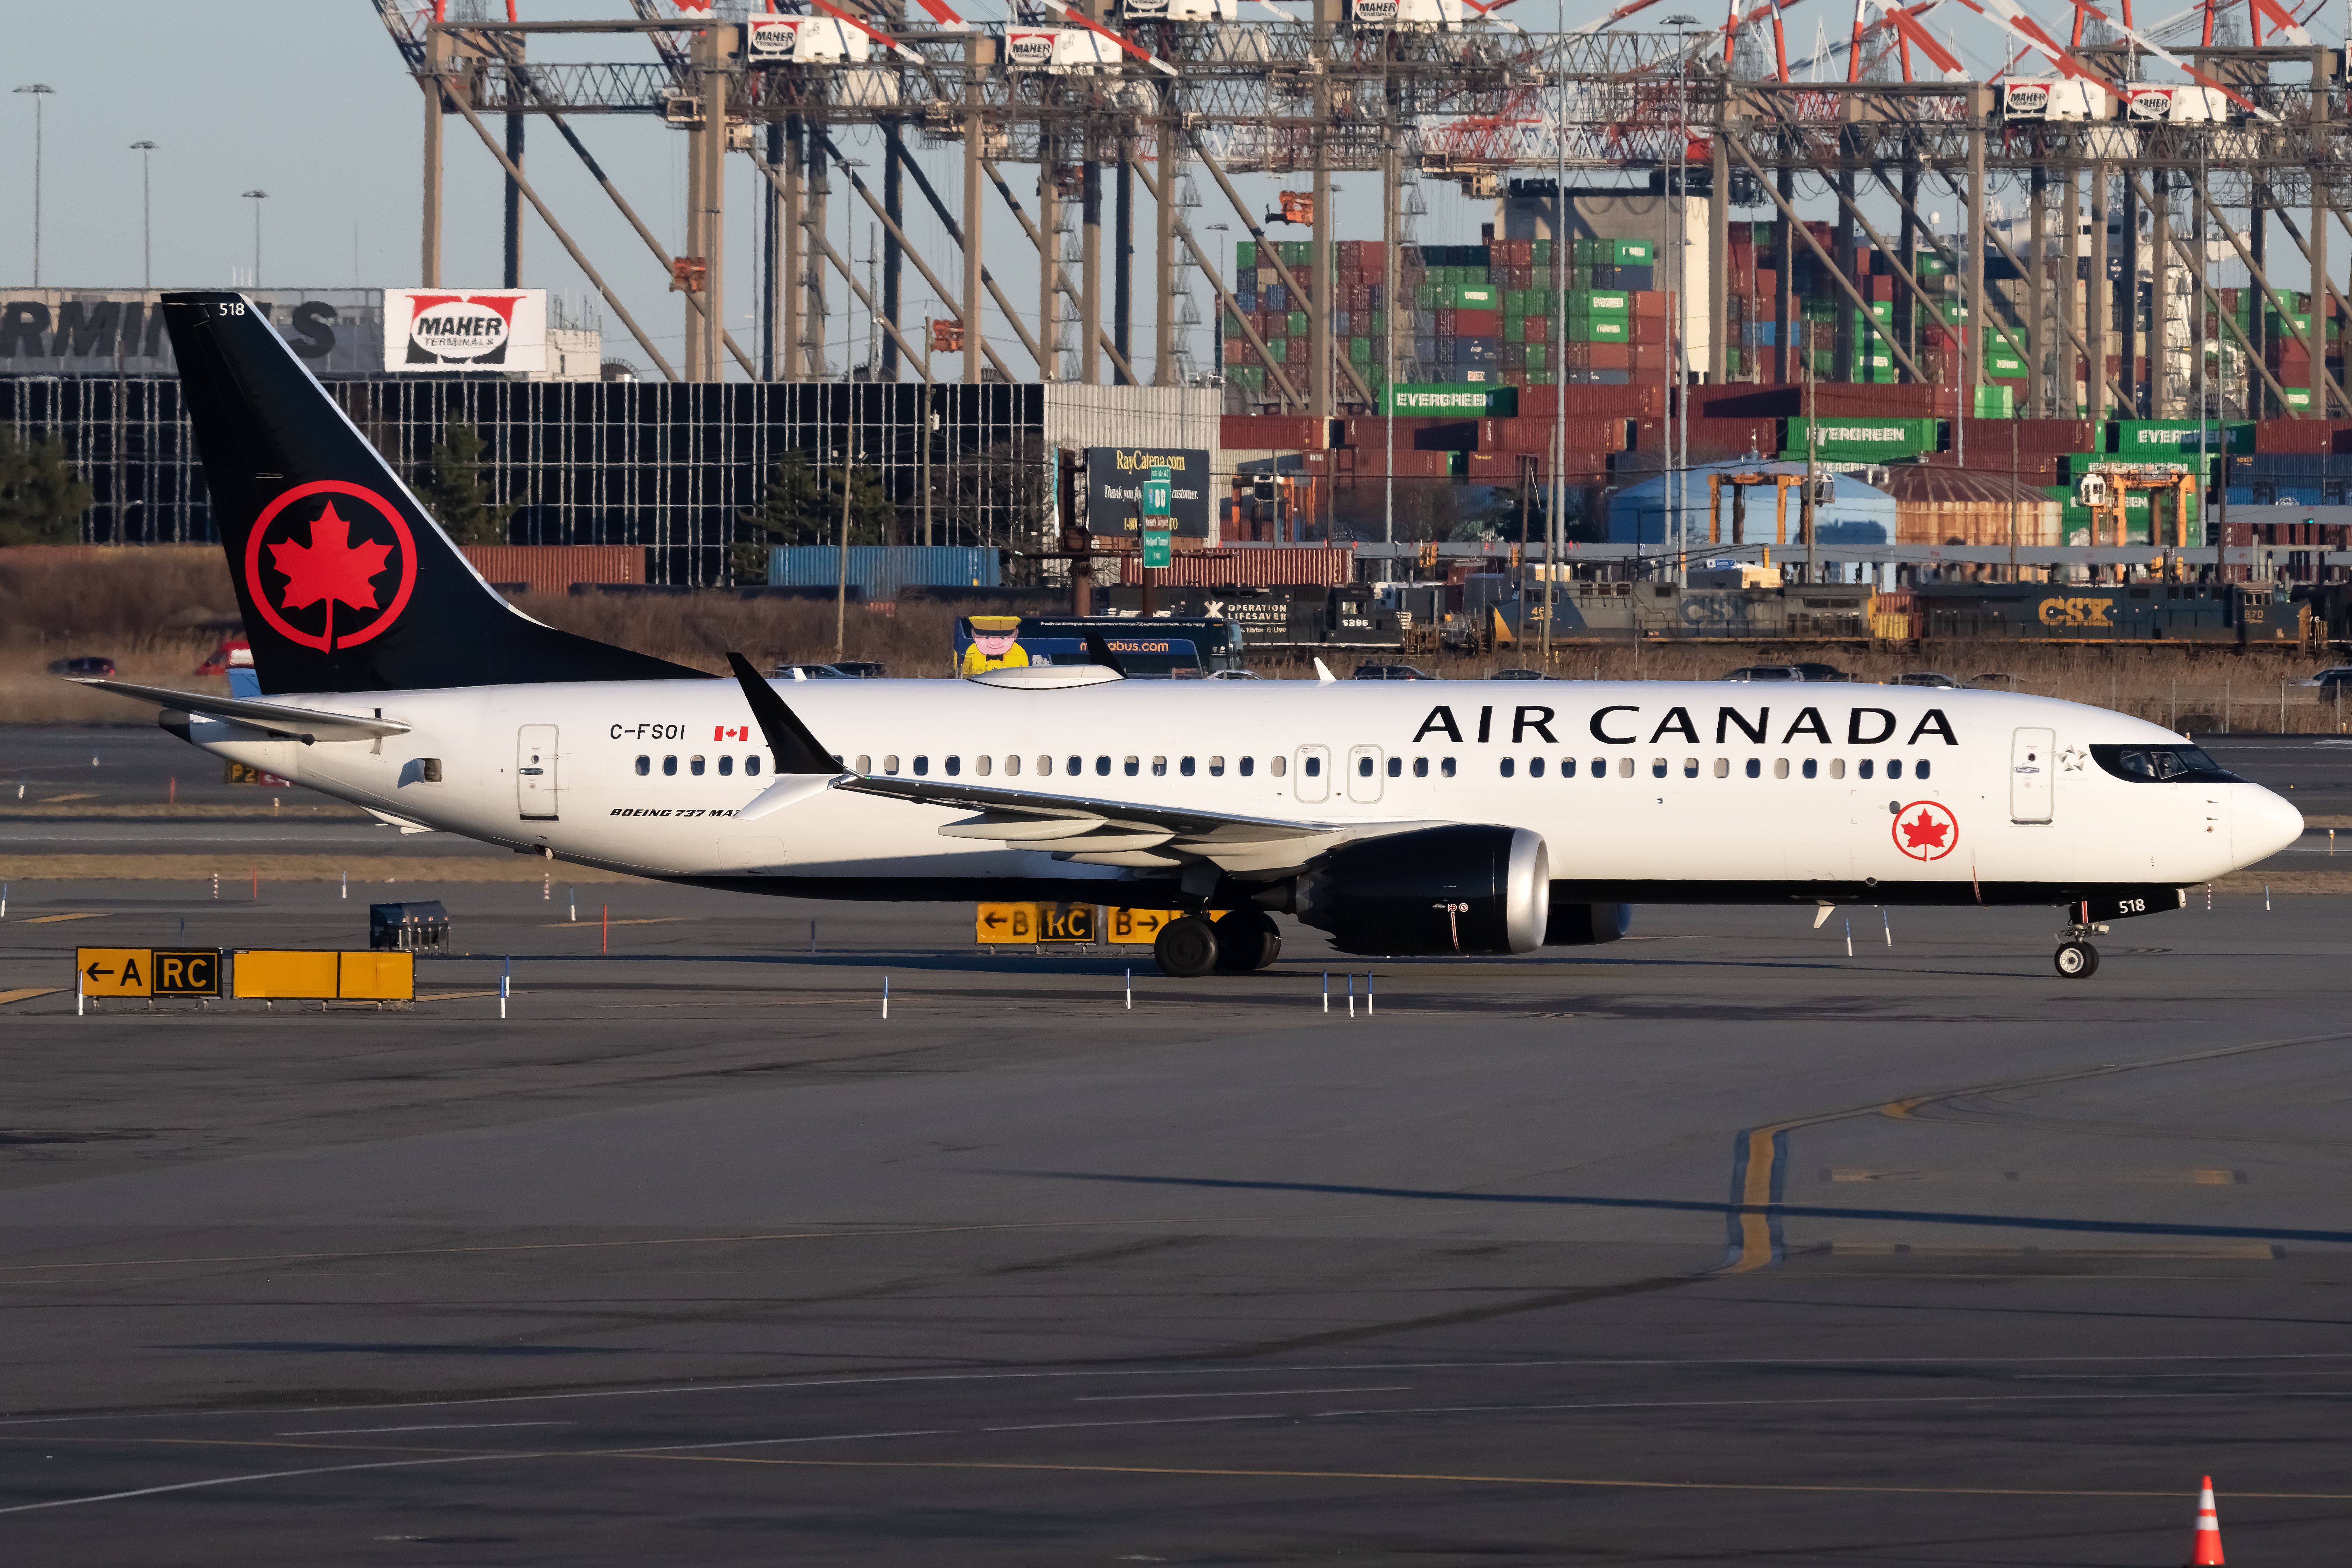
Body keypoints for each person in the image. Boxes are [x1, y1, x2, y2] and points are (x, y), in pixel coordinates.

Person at [959, 615, 1031, 677]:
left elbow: (1026, 674)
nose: (994, 643)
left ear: (1016, 634)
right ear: (974, 634)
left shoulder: (1019, 651)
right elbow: (965, 672)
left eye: (1003, 637)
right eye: (986, 637)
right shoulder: (972, 650)